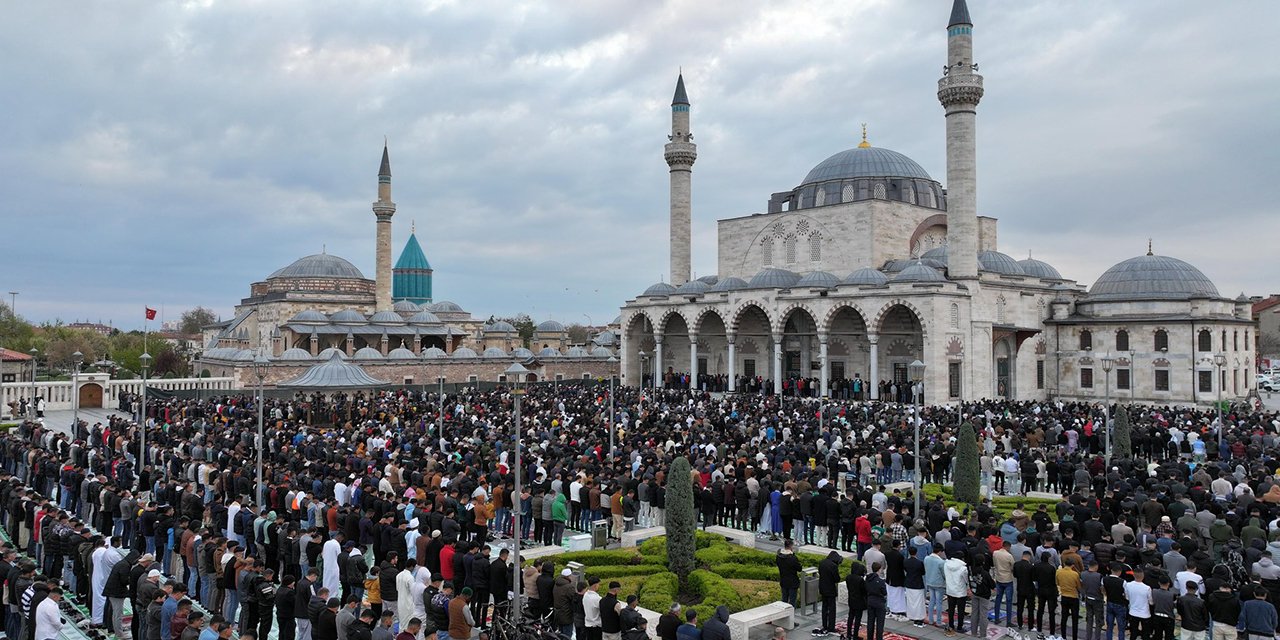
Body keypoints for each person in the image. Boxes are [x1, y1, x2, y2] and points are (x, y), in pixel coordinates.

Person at [815, 551, 842, 636]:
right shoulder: (833, 566)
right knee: (832, 609)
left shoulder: (822, 562)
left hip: (822, 588)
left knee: (824, 607)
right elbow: (837, 579)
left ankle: (825, 625)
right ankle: (831, 627)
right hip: (830, 590)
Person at [943, 551, 969, 637]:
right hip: (960, 591)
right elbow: (966, 580)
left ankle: (951, 625)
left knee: (951, 609)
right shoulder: (963, 568)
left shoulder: (946, 564)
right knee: (961, 610)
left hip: (950, 590)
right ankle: (960, 626)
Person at [1057, 554, 1082, 640]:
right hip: (1073, 597)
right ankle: (1074, 637)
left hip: (1064, 595)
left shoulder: (1059, 572)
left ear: (1064, 563)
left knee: (1064, 617)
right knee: (1075, 619)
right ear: (1073, 565)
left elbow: (1058, 583)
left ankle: (1063, 636)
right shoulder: (1075, 574)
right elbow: (1078, 586)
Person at [1123, 568, 1151, 640]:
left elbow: (1127, 597)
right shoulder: (1147, 588)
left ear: (1134, 576)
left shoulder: (1128, 585)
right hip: (1145, 613)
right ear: (1143, 576)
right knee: (1145, 633)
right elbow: (1151, 601)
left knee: (1133, 633)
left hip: (1132, 612)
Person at [865, 562, 888, 640]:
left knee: (870, 622)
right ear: (879, 569)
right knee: (880, 624)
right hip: (879, 603)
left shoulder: (867, 579)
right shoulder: (880, 581)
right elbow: (884, 592)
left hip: (870, 601)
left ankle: (869, 637)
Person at [776, 539, 802, 607]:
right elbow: (799, 568)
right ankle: (791, 616)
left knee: (784, 600)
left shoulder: (778, 556)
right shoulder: (792, 558)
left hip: (783, 580)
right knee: (792, 601)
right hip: (792, 582)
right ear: (791, 546)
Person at [845, 564, 866, 640]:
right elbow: (864, 591)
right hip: (859, 601)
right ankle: (855, 635)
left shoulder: (848, 577)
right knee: (857, 619)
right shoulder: (860, 580)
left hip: (851, 600)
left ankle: (848, 633)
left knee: (850, 617)